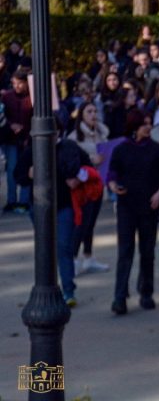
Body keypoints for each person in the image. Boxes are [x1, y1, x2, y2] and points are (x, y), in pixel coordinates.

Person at [16, 119, 91, 306]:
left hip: (64, 206)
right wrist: (28, 174)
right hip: (40, 208)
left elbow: (87, 166)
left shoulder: (69, 148)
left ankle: (68, 290)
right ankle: (46, 289)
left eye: (55, 131)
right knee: (45, 249)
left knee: (63, 247)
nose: (52, 135)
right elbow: (18, 175)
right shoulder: (32, 150)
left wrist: (79, 178)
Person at [108, 109, 159, 314]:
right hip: (126, 206)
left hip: (149, 206)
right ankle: (119, 296)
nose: (148, 126)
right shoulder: (122, 149)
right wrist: (114, 186)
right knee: (125, 251)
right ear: (134, 126)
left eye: (149, 123)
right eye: (144, 123)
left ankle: (146, 292)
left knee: (147, 251)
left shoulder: (157, 150)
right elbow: (111, 174)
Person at [67, 101, 110, 275]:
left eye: (94, 111)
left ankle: (88, 257)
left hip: (98, 184)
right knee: (81, 223)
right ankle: (73, 259)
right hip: (83, 186)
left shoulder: (101, 132)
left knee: (91, 223)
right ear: (82, 115)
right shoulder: (74, 137)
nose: (93, 114)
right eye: (89, 111)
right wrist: (92, 159)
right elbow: (71, 161)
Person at [1, 70, 32, 213]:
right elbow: (2, 117)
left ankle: (24, 200)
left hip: (27, 138)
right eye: (14, 83)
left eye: (20, 83)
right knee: (12, 169)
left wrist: (27, 134)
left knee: (26, 168)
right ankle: (12, 200)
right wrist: (11, 125)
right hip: (11, 138)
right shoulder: (7, 97)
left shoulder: (32, 97)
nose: (17, 86)